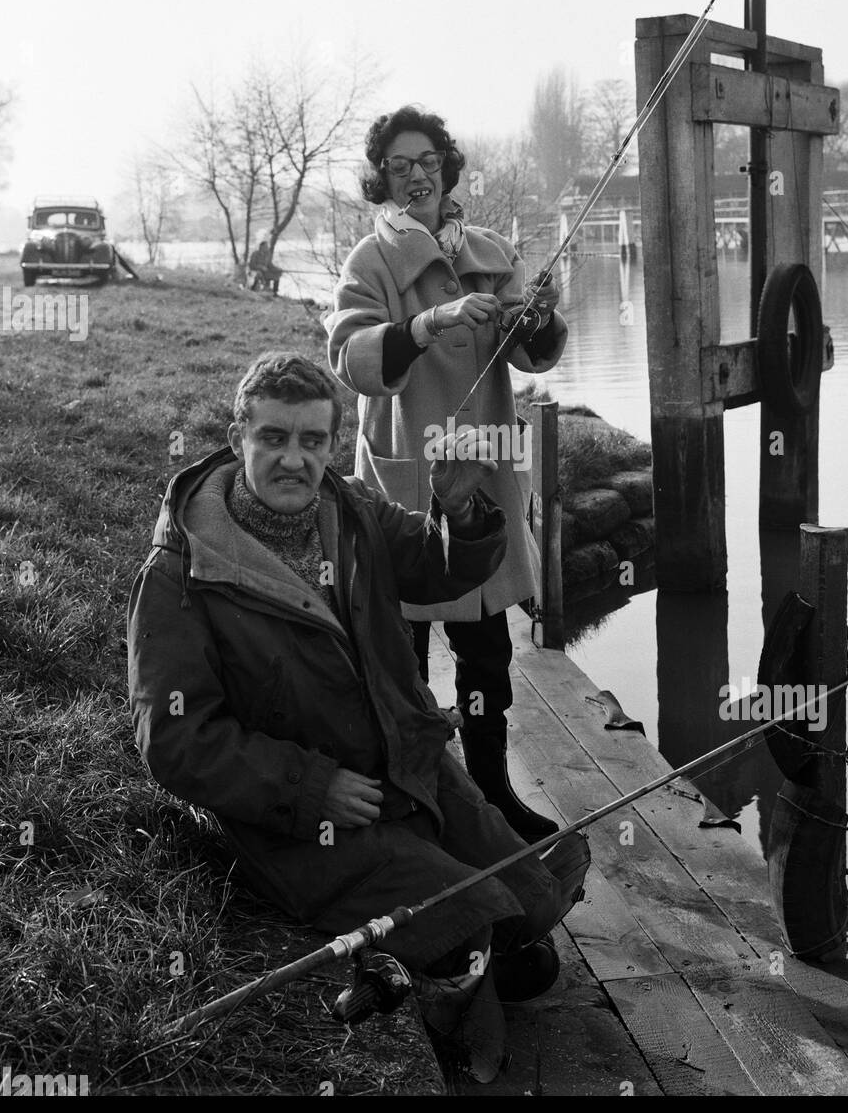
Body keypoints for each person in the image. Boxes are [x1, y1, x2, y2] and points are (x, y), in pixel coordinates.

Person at [127, 352, 588, 1071]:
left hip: (409, 767)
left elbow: (439, 567)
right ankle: (447, 990)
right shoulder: (179, 573)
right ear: (236, 434)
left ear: (332, 446)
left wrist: (461, 511)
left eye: (312, 442)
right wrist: (310, 789)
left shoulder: (351, 511)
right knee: (482, 932)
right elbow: (174, 739)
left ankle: (469, 947)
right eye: (273, 438)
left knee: (531, 911)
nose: (293, 460)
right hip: (304, 814)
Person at [326, 106, 567, 841]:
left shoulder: (492, 249)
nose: (417, 174)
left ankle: (492, 792)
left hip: (484, 476)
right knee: (404, 657)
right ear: (382, 179)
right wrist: (427, 324)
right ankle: (424, 799)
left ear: (446, 165)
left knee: (487, 652)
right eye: (399, 164)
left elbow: (536, 356)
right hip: (407, 481)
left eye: (427, 158)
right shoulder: (371, 262)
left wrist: (538, 319)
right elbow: (351, 358)